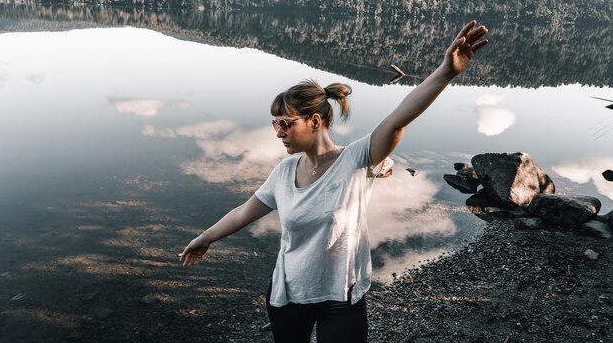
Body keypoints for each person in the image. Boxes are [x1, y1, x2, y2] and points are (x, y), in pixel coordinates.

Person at [179, 20, 488, 342]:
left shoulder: (356, 160)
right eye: (275, 124)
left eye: (285, 124)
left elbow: (399, 119)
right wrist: (205, 238)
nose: (278, 132)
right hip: (287, 295)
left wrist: (445, 73)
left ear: (314, 121)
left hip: (341, 298)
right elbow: (244, 212)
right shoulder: (284, 172)